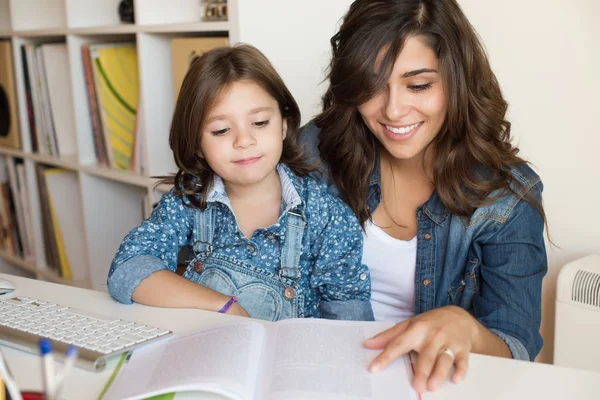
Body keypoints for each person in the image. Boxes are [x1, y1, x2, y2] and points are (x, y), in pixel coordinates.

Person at [301, 0, 548, 393]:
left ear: (457, 80)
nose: (394, 110)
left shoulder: (506, 196)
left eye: (418, 85)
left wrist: (466, 328)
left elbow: (516, 346)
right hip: (317, 375)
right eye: (372, 87)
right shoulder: (316, 153)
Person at [107, 44, 373, 322]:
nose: (244, 141)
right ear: (197, 143)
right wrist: (222, 305)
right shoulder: (189, 202)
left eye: (259, 122)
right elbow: (128, 269)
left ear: (283, 124)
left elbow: (348, 319)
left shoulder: (327, 216)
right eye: (221, 130)